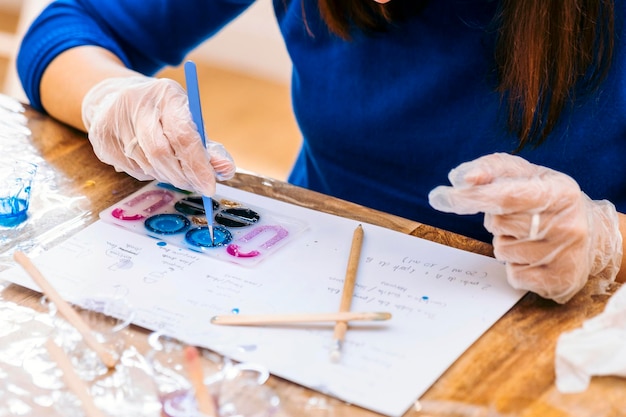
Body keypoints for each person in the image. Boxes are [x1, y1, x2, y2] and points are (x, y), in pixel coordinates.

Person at [16, 0, 626, 303]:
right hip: (309, 270)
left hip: (558, 321)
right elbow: (67, 29)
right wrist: (113, 100)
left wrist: (606, 243)